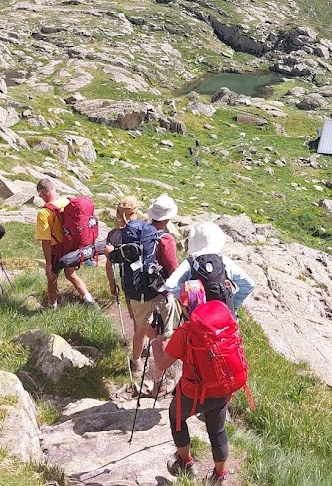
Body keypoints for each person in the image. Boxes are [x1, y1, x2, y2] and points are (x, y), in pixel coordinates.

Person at [150, 280, 248, 485]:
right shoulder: (222, 319)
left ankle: (186, 463)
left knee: (176, 417)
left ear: (184, 306)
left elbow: (161, 364)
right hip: (222, 388)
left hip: (192, 392)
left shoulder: (186, 332)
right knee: (217, 430)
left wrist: (155, 340)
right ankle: (220, 476)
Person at [109, 194, 180, 378]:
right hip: (160, 292)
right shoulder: (165, 239)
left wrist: (112, 283)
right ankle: (159, 377)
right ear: (167, 218)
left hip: (136, 291)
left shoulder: (135, 233)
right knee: (163, 337)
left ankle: (136, 362)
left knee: (139, 329)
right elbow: (174, 271)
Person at [165, 221, 255, 313]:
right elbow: (249, 285)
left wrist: (187, 301)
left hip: (198, 318)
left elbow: (170, 285)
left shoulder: (189, 263)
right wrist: (234, 303)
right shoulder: (224, 261)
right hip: (226, 317)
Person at [35, 178, 95, 308]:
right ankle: (89, 300)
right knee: (71, 274)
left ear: (42, 193)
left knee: (52, 278)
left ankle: (52, 306)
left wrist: (49, 264)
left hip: (56, 250)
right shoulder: (68, 202)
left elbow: (46, 241)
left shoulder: (43, 213)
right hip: (71, 247)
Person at [105, 195, 141, 301]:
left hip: (128, 282)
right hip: (149, 281)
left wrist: (112, 284)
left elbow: (109, 265)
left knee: (134, 314)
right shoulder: (145, 230)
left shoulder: (113, 235)